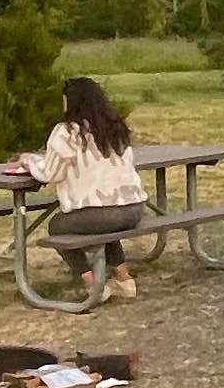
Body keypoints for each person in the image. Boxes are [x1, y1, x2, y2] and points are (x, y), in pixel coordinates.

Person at [20, 76, 149, 298]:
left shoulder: (67, 132)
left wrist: (29, 161)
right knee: (102, 219)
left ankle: (93, 284)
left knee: (59, 226)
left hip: (102, 214)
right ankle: (124, 278)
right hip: (134, 208)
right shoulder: (114, 128)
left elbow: (50, 173)